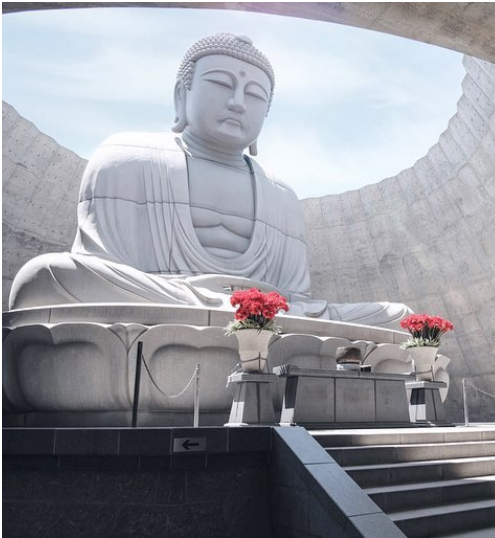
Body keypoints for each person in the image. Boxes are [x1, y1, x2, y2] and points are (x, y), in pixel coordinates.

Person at [7, 33, 411, 327]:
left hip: (273, 316)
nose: (237, 101)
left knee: (400, 318)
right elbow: (103, 267)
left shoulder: (281, 193)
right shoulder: (126, 156)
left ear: (266, 114)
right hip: (166, 303)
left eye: (255, 95)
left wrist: (268, 309)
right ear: (182, 94)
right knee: (47, 278)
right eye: (221, 83)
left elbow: (296, 299)